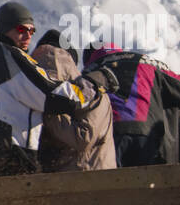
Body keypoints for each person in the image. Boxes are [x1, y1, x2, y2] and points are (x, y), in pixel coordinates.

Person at [0, 2, 105, 178]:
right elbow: (54, 95)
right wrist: (92, 85)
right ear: (5, 28)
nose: (28, 36)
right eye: (22, 29)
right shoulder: (13, 59)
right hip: (13, 160)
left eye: (32, 31)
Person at [81, 43, 180, 166]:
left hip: (109, 138)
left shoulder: (90, 74)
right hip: (147, 134)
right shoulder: (145, 63)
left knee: (117, 185)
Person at [32, 31, 118, 171]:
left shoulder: (91, 91)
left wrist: (47, 112)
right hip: (94, 181)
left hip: (85, 180)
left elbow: (83, 138)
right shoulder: (95, 92)